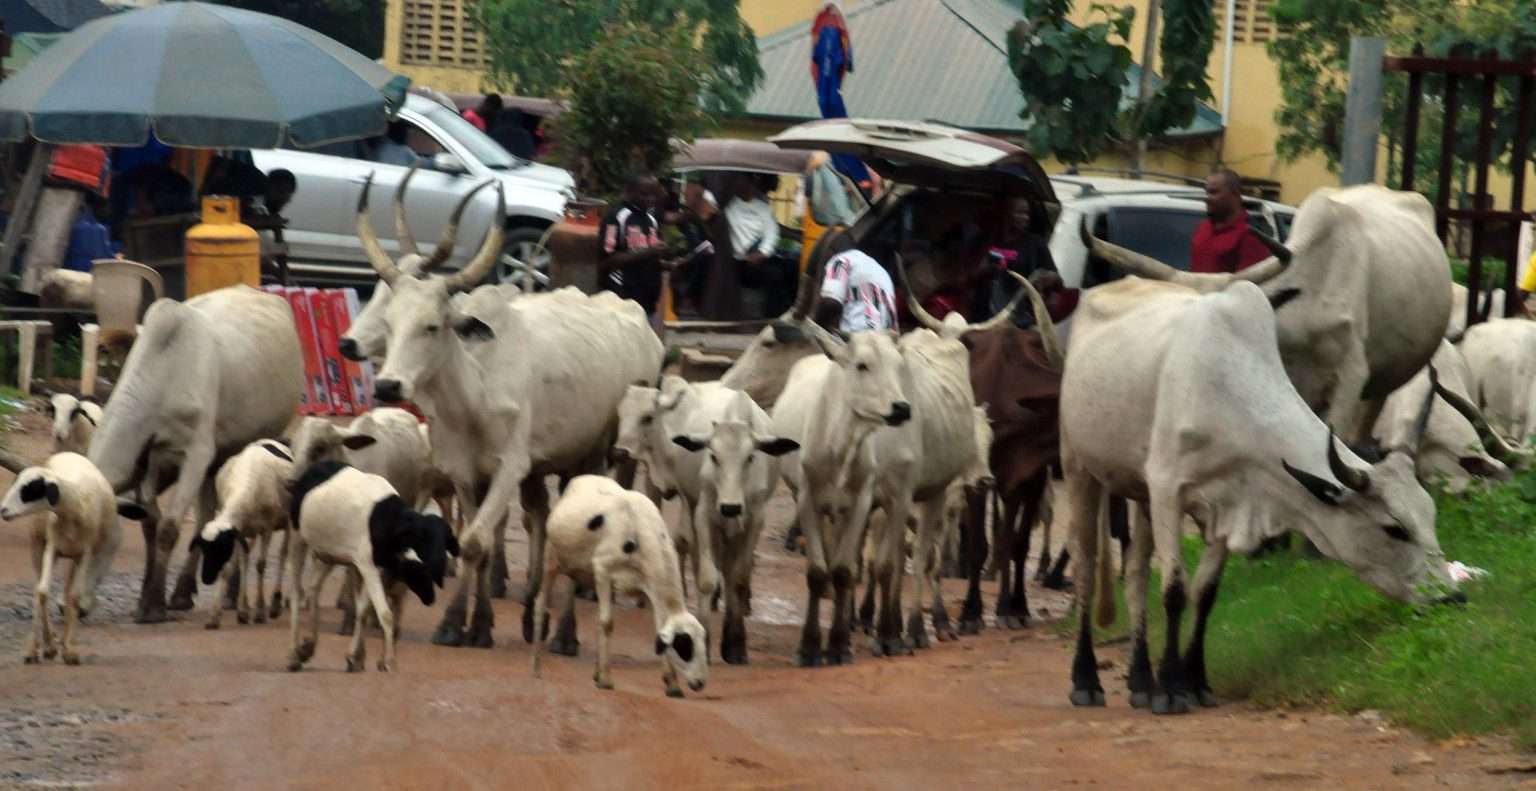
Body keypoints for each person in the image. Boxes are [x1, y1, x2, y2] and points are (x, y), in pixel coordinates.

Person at [599, 172, 682, 320]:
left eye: (653, 195)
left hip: (647, 299)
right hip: (622, 297)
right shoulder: (615, 218)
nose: (650, 199)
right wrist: (647, 252)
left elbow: (652, 256)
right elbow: (607, 261)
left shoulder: (651, 220)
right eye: (644, 194)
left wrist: (665, 264)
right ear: (629, 192)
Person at [975, 195, 1063, 329]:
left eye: (1027, 213)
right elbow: (972, 274)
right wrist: (985, 269)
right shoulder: (989, 240)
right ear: (1005, 214)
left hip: (1020, 322)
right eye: (1020, 213)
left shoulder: (1035, 244)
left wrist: (1045, 279)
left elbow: (1058, 281)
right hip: (986, 320)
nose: (1026, 218)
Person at [725, 173, 795, 316]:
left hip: (758, 256)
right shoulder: (728, 206)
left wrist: (762, 252)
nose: (738, 184)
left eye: (741, 180)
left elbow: (772, 232)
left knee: (793, 267)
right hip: (737, 261)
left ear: (751, 182)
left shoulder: (763, 208)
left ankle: (792, 311)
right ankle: (772, 316)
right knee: (774, 275)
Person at [813, 233, 897, 334]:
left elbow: (830, 303)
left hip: (856, 341)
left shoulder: (840, 261)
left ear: (830, 250)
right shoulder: (881, 270)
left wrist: (815, 326)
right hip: (886, 342)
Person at [1190, 169, 1270, 274]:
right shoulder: (1202, 228)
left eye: (1214, 192)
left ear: (1235, 194)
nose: (1207, 198)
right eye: (1207, 192)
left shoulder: (1251, 234)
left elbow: (1247, 285)